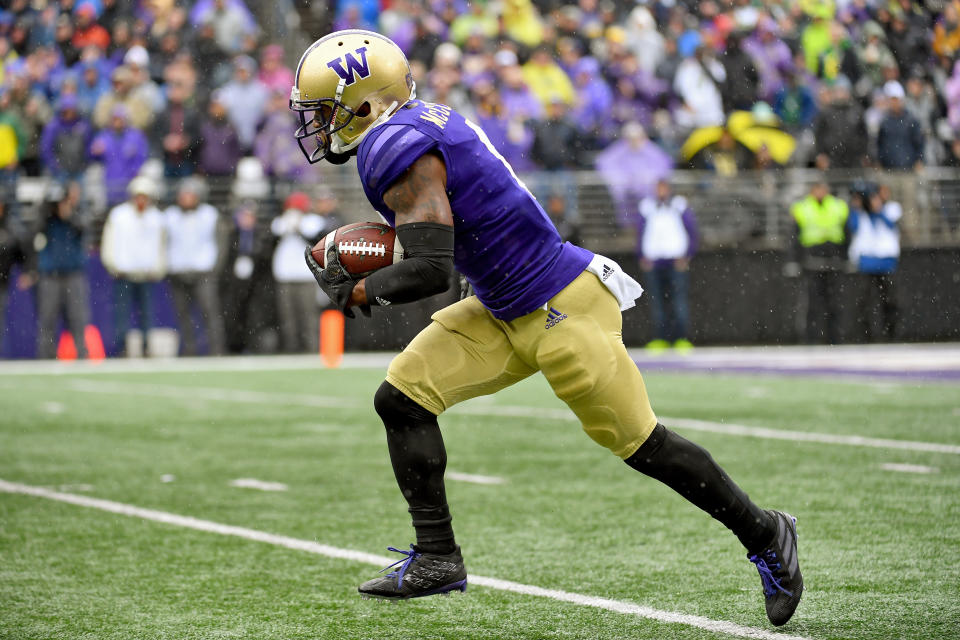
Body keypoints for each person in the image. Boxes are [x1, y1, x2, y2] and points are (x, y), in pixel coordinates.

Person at [290, 30, 803, 626]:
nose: (319, 126)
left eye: (325, 110)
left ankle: (766, 533)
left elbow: (429, 267)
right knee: (402, 398)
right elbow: (448, 232)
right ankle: (437, 556)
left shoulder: (393, 145)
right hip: (503, 306)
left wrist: (359, 289)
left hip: (562, 304)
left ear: (363, 102)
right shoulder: (417, 123)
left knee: (644, 446)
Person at [100, 176, 166, 356]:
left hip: (147, 273)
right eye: (138, 196)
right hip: (124, 273)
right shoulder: (119, 215)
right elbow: (109, 242)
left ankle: (146, 347)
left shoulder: (157, 218)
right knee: (122, 313)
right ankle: (121, 347)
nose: (141, 200)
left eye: (144, 196)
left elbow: (162, 246)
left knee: (147, 313)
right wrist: (112, 265)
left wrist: (159, 268)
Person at [164, 178, 226, 356]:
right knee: (183, 315)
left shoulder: (210, 215)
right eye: (183, 194)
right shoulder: (170, 216)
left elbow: (221, 244)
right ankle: (188, 350)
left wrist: (215, 268)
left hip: (203, 272)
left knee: (209, 313)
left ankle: (216, 350)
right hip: (178, 271)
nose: (185, 198)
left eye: (189, 195)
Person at [636, 179, 698, 353]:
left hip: (675, 261)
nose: (661, 191)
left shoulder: (679, 205)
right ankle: (660, 338)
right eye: (658, 188)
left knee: (679, 301)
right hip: (654, 262)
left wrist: (687, 256)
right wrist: (642, 256)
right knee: (657, 303)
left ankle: (681, 338)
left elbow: (692, 231)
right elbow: (640, 233)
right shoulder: (647, 207)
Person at [787, 179, 850, 345]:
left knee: (835, 304)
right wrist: (794, 260)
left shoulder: (838, 206)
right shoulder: (802, 208)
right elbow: (794, 236)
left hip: (833, 261)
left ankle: (835, 338)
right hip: (812, 262)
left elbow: (846, 233)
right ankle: (811, 339)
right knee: (812, 304)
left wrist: (845, 257)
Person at [33, 182, 91, 359]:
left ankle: (82, 355)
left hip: (73, 274)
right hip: (50, 275)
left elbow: (83, 229)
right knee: (47, 319)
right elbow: (34, 232)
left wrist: (69, 215)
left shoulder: (77, 213)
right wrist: (48, 208)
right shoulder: (46, 217)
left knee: (78, 319)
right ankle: (46, 357)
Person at [270, 191, 328, 353]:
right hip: (285, 276)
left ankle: (312, 349)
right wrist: (287, 228)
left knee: (308, 316)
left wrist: (299, 229)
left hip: (306, 276)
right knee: (288, 317)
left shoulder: (314, 222)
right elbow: (272, 241)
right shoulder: (280, 222)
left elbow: (316, 243)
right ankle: (291, 349)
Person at [847, 183, 900, 342]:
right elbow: (853, 227)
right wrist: (857, 207)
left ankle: (891, 335)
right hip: (867, 261)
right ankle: (865, 336)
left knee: (890, 300)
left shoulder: (891, 208)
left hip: (886, 261)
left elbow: (892, 224)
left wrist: (878, 210)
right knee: (864, 302)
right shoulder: (858, 213)